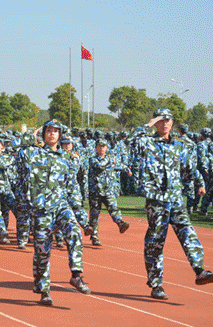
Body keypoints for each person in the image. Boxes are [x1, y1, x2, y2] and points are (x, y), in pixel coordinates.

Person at [128, 109, 213, 300]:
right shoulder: (147, 143)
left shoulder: (179, 145)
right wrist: (148, 124)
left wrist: (199, 182)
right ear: (156, 122)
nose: (165, 124)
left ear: (172, 123)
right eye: (161, 121)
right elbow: (129, 141)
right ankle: (156, 285)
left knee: (188, 232)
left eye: (168, 120)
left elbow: (189, 167)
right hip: (156, 201)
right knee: (155, 242)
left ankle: (200, 271)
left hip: (176, 199)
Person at [19, 119, 90, 306]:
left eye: (55, 131)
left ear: (60, 135)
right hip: (42, 209)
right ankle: (44, 290)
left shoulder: (66, 158)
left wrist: (83, 218)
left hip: (60, 205)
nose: (51, 134)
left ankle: (76, 274)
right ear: (43, 134)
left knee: (74, 232)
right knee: (43, 252)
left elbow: (72, 188)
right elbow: (20, 147)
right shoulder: (33, 154)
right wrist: (30, 134)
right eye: (48, 131)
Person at [86, 138, 131, 246]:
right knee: (95, 215)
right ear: (96, 148)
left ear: (107, 148)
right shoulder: (93, 159)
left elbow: (118, 166)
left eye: (104, 146)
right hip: (96, 191)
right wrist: (111, 161)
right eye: (99, 146)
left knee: (113, 208)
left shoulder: (110, 159)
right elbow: (100, 167)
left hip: (108, 191)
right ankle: (94, 236)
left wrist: (127, 170)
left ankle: (120, 223)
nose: (102, 148)